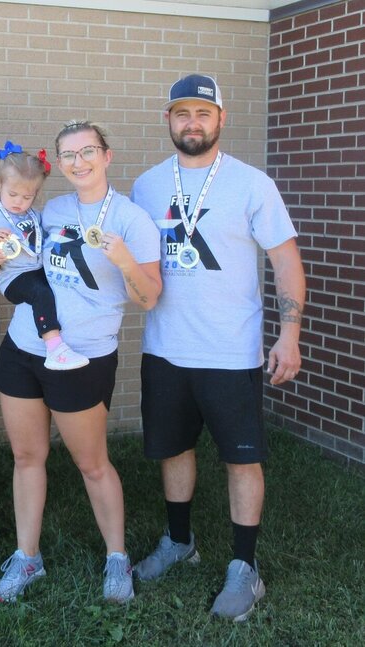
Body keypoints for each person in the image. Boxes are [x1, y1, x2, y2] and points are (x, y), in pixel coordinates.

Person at [130, 74, 305, 621]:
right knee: (174, 449)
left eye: (202, 114)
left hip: (231, 351)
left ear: (221, 119)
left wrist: (290, 334)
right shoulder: (147, 185)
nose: (192, 123)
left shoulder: (252, 184)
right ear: (168, 120)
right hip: (165, 348)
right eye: (182, 113)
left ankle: (244, 567)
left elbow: (286, 262)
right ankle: (179, 541)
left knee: (240, 459)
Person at [0, 121, 161, 603]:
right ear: (58, 164)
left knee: (92, 463)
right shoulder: (52, 209)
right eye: (68, 155)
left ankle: (117, 558)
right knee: (26, 456)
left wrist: (123, 260)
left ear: (107, 155)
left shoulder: (130, 219)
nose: (78, 161)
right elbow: (23, 259)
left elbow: (149, 297)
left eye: (88, 151)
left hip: (83, 356)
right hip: (24, 348)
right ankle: (27, 557)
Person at [0, 140, 89, 371]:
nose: (19, 202)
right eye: (13, 194)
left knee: (58, 289)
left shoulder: (34, 215)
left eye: (27, 196)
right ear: (0, 184)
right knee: (41, 294)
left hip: (37, 270)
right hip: (13, 278)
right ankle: (54, 348)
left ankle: (67, 340)